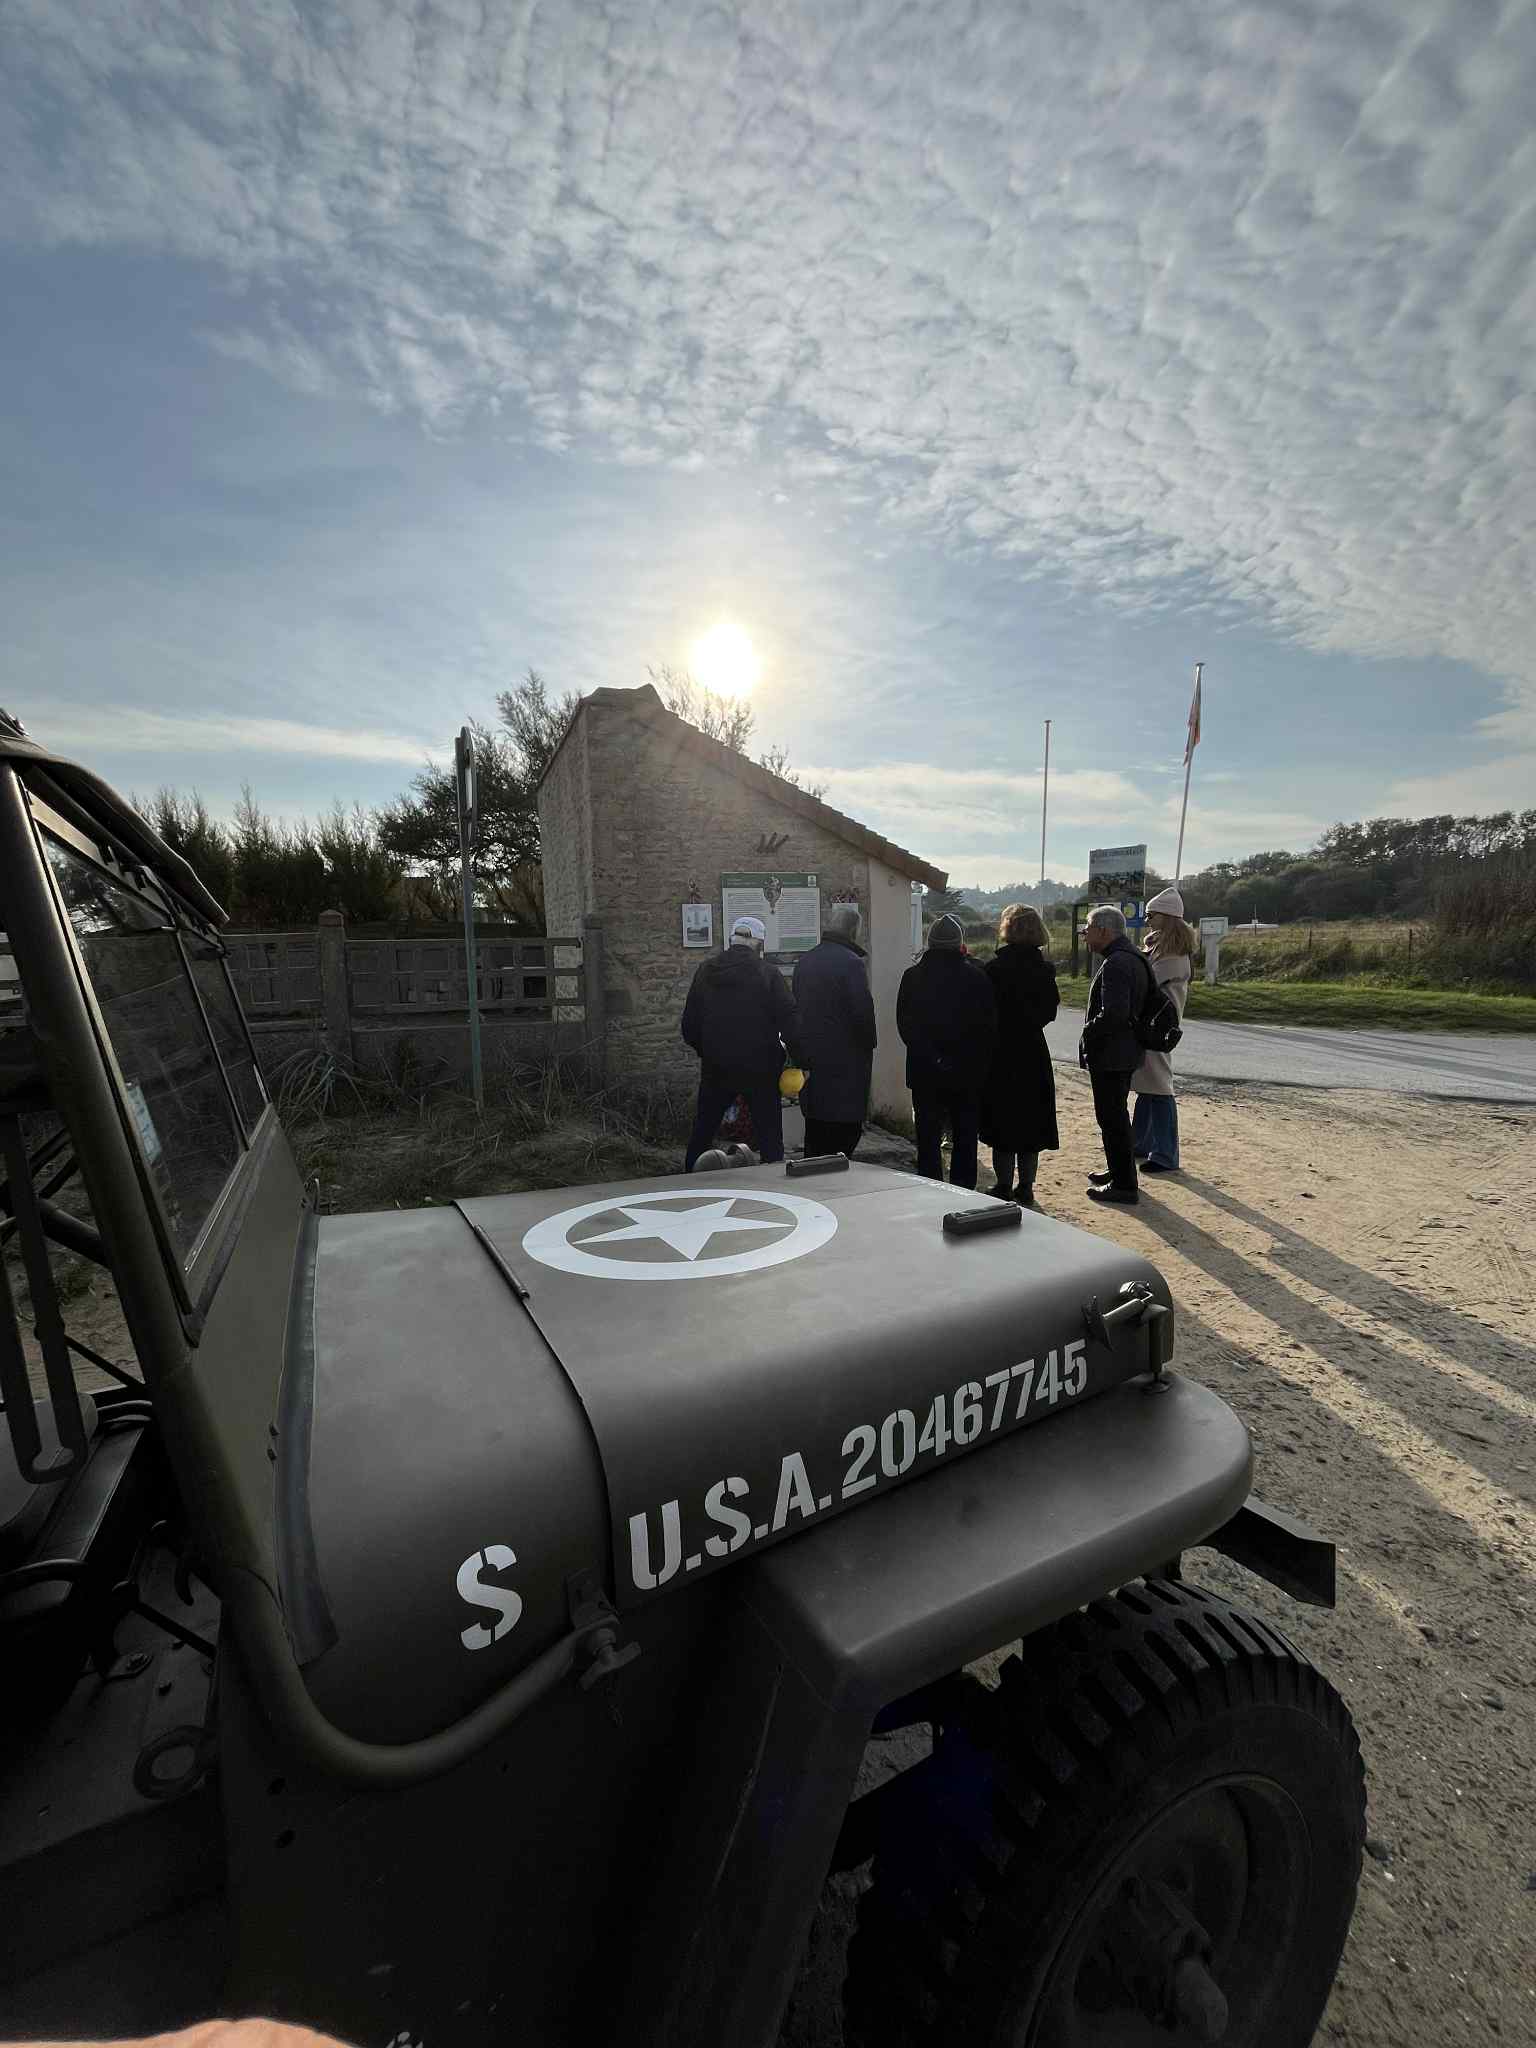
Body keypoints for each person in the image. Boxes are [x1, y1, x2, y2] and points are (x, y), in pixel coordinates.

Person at [681, 915, 800, 1169]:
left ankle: (689, 1178)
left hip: (717, 1066)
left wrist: (709, 1051)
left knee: (703, 1130)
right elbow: (789, 1021)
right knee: (769, 1136)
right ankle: (776, 1186)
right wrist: (797, 1058)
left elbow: (689, 1025)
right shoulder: (768, 973)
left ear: (732, 939)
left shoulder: (706, 971)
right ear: (759, 943)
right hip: (761, 1067)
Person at [897, 912, 998, 1189]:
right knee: (965, 1137)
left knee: (927, 1136)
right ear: (959, 943)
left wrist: (934, 1057)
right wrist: (963, 1060)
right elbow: (987, 1029)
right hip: (966, 1072)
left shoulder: (912, 976)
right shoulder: (977, 978)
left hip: (924, 1070)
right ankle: (963, 1190)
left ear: (930, 943)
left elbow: (905, 1026)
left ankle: (931, 1187)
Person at [980, 903, 1059, 1207]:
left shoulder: (995, 969)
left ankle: (1002, 1184)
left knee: (1002, 1121)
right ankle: (1026, 1186)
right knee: (1030, 1122)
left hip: (1001, 1051)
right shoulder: (1043, 970)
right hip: (1032, 1049)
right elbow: (1049, 1012)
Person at [791, 902, 878, 1158]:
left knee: (816, 1134)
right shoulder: (852, 964)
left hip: (814, 1061)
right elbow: (862, 1013)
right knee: (842, 1139)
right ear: (853, 932)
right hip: (845, 1064)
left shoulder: (805, 961)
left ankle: (812, 1189)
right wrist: (869, 1045)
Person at [1079, 904, 1150, 1205]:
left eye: (1088, 929)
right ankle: (1119, 1170)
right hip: (1126, 1051)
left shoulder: (1117, 963)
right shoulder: (1132, 957)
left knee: (1112, 1119)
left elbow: (1115, 1013)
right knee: (1115, 1116)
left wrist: (1088, 1032)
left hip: (1112, 1054)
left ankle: (1123, 1185)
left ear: (1104, 931)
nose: (1084, 935)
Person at [1132, 886, 1195, 1174]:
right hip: (1156, 1022)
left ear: (1166, 917)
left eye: (1151, 914)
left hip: (1159, 1024)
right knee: (1148, 1084)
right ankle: (1141, 1142)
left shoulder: (1172, 956)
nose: (1146, 919)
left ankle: (1165, 1153)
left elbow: (1147, 983)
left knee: (1158, 1087)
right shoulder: (1163, 948)